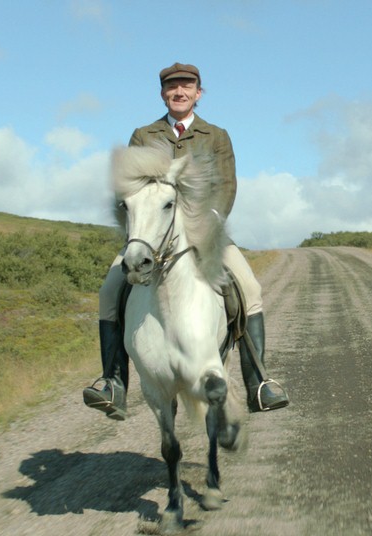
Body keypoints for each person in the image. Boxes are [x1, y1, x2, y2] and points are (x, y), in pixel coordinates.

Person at [83, 62, 290, 419]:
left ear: (198, 93)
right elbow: (128, 187)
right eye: (172, 87)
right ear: (163, 93)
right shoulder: (143, 135)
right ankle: (113, 382)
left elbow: (226, 186)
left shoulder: (216, 136)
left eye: (186, 86)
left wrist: (207, 223)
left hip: (206, 232)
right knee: (108, 293)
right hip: (152, 234)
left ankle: (259, 382)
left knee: (250, 288)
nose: (179, 92)